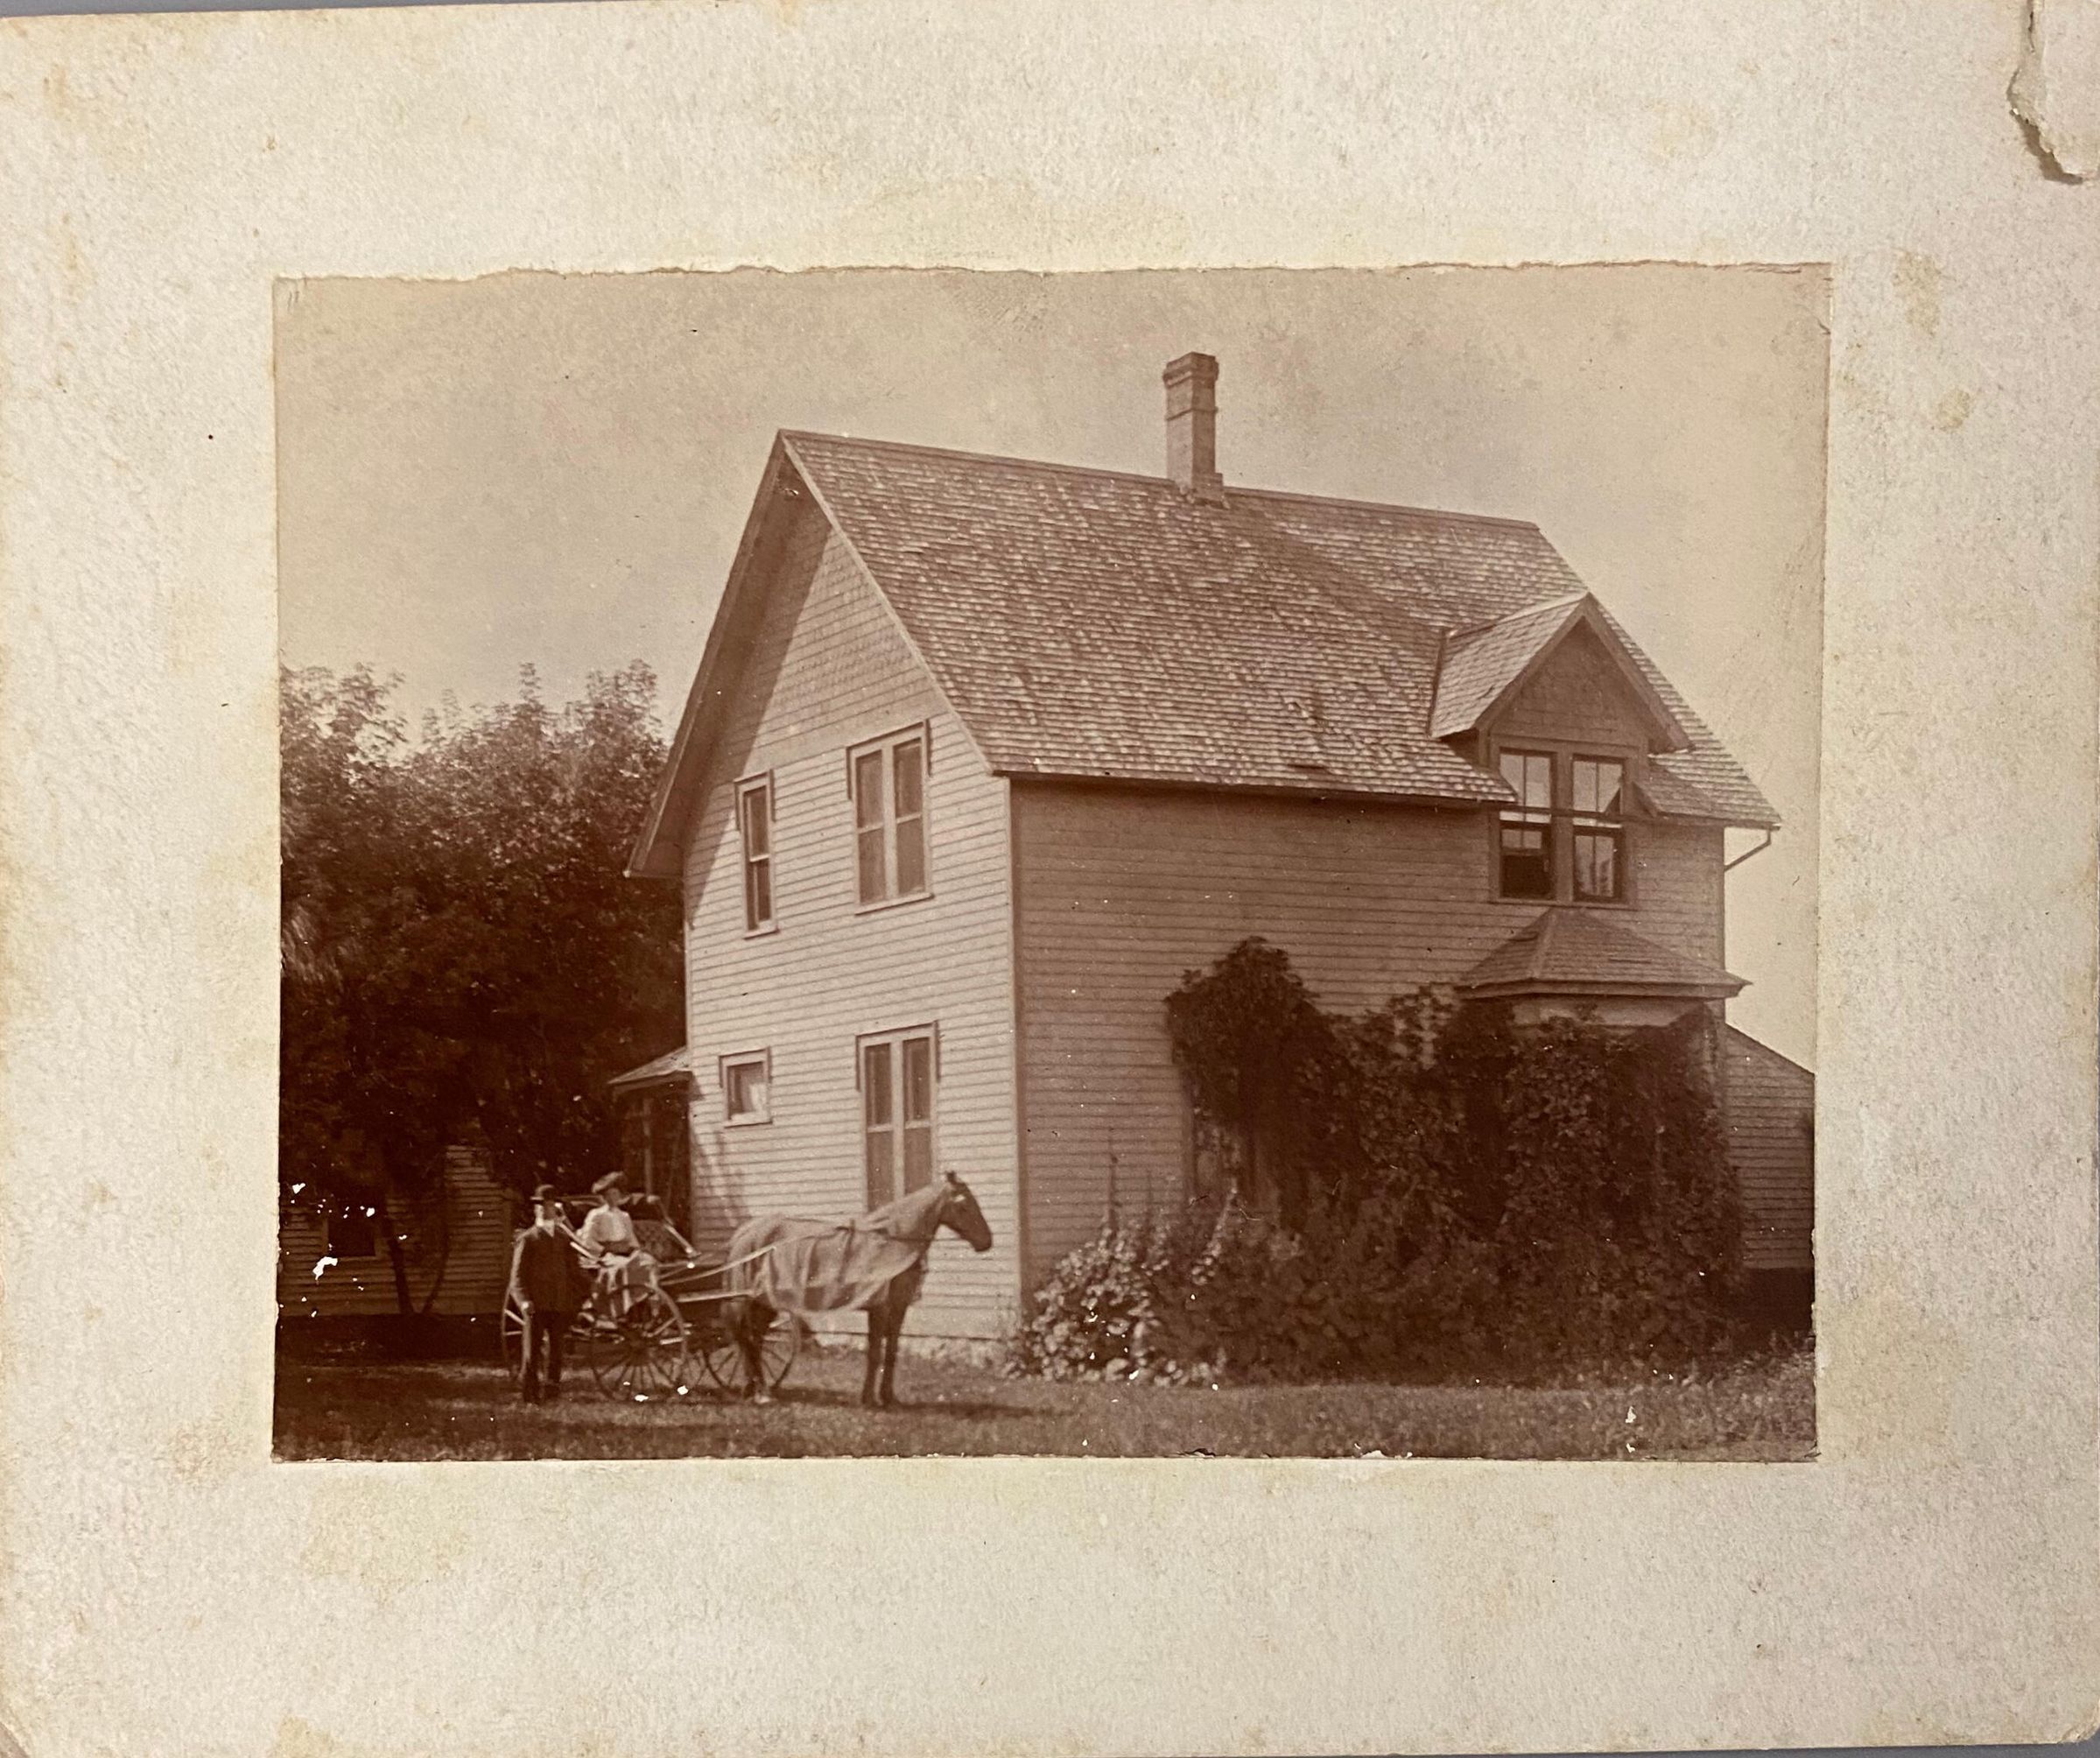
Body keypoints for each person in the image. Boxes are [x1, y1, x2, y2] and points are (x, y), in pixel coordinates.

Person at [509, 1184, 583, 1403]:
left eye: (548, 1206)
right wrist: (523, 1301)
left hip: (559, 1301)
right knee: (532, 1350)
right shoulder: (528, 1238)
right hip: (536, 1303)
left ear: (554, 1209)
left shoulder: (562, 1238)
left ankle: (552, 1392)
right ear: (535, 1209)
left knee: (556, 1350)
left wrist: (592, 1286)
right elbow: (517, 1277)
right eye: (540, 1206)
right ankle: (530, 1395)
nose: (543, 1210)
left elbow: (574, 1269)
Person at [578, 1172, 651, 1293]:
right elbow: (587, 1240)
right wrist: (605, 1250)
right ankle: (624, 1298)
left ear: (620, 1196)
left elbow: (631, 1238)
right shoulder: (596, 1214)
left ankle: (650, 1295)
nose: (612, 1198)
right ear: (604, 1197)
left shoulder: (624, 1216)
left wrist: (637, 1250)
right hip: (606, 1255)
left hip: (625, 1252)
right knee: (625, 1266)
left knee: (649, 1262)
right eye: (609, 1194)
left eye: (615, 1194)